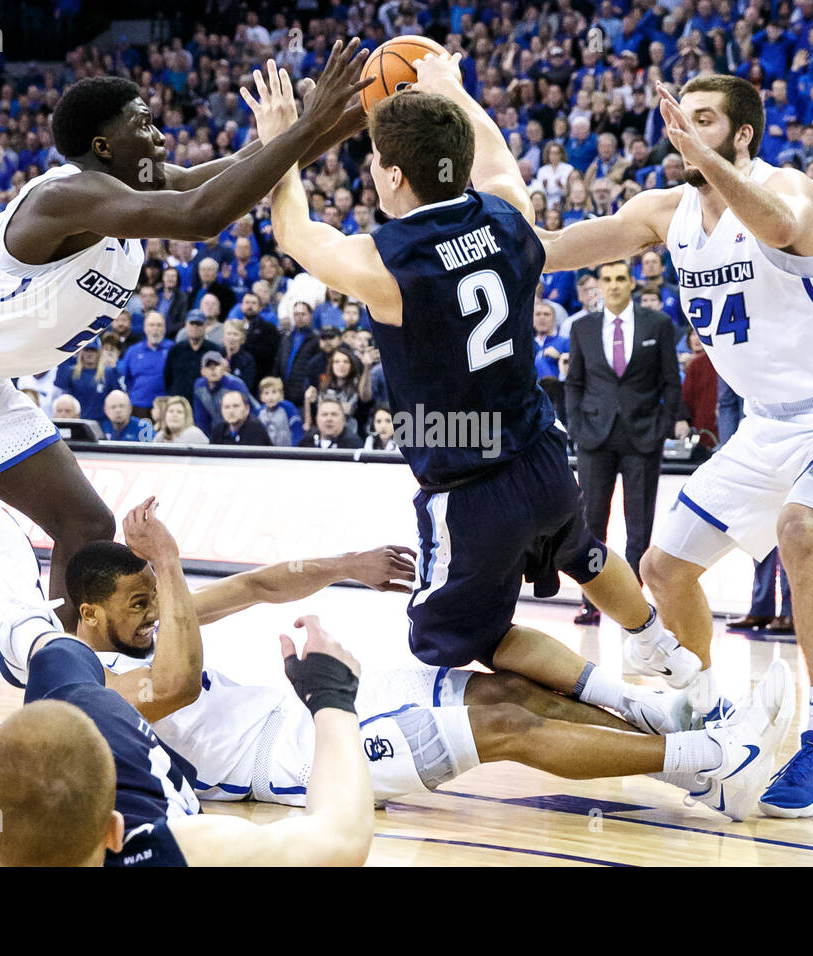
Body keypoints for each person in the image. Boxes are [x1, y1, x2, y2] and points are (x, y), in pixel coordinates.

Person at [248, 56, 724, 776]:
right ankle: (661, 647)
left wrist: (279, 142)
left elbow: (294, 231)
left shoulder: (385, 262)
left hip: (470, 489)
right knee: (584, 554)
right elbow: (496, 151)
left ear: (393, 176)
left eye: (377, 163)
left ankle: (639, 713)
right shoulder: (509, 214)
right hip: (541, 455)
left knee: (469, 640)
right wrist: (451, 85)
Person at [0, 48, 372, 631]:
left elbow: (234, 171)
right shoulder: (64, 197)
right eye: (143, 124)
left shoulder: (136, 189)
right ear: (103, 148)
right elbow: (203, 214)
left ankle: (59, 674)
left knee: (86, 527)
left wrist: (334, 121)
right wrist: (306, 124)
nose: (161, 137)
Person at [537, 73, 813, 817]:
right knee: (664, 570)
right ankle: (709, 717)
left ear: (742, 136)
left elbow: (773, 225)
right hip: (764, 423)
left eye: (704, 119)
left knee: (804, 532)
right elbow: (552, 249)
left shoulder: (787, 189)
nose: (684, 129)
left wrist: (716, 166)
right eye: (679, 117)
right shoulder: (663, 211)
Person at [0, 501, 795, 822]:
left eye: (154, 601)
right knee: (503, 726)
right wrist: (170, 569)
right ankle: (712, 756)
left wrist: (344, 561)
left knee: (498, 680)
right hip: (286, 764)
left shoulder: (152, 619)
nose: (154, 616)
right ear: (89, 616)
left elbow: (255, 584)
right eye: (136, 607)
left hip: (309, 708)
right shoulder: (83, 690)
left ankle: (690, 747)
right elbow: (175, 685)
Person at [0, 499, 375, 866]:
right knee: (79, 702)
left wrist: (331, 696)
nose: (150, 612)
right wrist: (331, 698)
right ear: (116, 832)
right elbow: (341, 837)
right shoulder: (178, 852)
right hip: (160, 766)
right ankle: (32, 636)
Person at [564, 259, 681, 625]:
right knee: (591, 522)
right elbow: (574, 383)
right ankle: (592, 599)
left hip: (643, 436)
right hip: (594, 438)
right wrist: (577, 428)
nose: (613, 285)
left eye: (619, 279)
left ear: (632, 283)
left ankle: (632, 601)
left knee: (639, 524)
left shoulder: (658, 324)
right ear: (599, 285)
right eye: (607, 279)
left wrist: (662, 426)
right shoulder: (582, 327)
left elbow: (671, 382)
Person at [116, 312, 172, 419]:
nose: (155, 328)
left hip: (165, 407)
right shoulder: (132, 351)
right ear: (145, 328)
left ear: (164, 329)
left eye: (159, 325)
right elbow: (126, 379)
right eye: (152, 325)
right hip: (138, 406)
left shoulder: (173, 349)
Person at [256, 374, 304, 447]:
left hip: (287, 451)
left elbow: (297, 430)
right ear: (261, 397)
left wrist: (295, 449)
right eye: (266, 393)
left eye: (274, 392)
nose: (270, 397)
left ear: (281, 395)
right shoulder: (259, 412)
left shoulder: (288, 408)